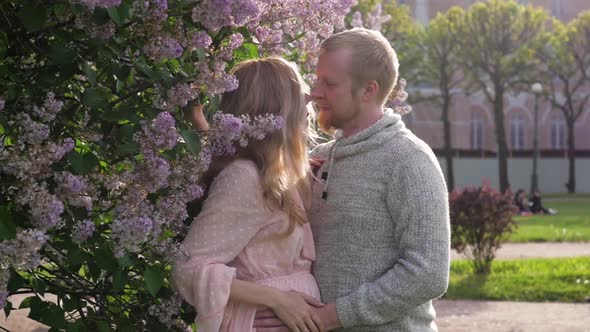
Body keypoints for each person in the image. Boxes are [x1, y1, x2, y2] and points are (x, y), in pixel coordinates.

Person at [255, 28, 450, 331]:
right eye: (317, 78)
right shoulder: (318, 158)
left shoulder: (409, 159)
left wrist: (332, 316)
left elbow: (428, 273)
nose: (315, 92)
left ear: (368, 90)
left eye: (329, 83)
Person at [171, 57, 326, 332]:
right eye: (297, 92)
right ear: (277, 107)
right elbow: (188, 268)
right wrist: (277, 300)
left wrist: (198, 121)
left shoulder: (278, 172)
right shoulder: (245, 176)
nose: (309, 99)